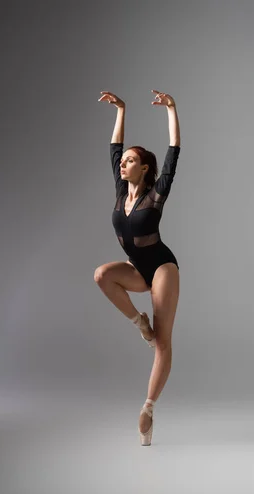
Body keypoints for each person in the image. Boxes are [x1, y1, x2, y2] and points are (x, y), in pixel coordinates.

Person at [95, 90, 181, 446]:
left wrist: (172, 110)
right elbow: (114, 147)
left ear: (144, 168)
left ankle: (148, 409)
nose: (123, 164)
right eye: (123, 161)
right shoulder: (120, 191)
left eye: (130, 161)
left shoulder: (156, 194)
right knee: (102, 275)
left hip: (161, 268)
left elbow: (174, 153)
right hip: (136, 269)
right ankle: (139, 322)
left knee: (162, 341)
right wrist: (121, 110)